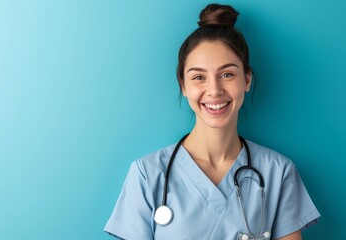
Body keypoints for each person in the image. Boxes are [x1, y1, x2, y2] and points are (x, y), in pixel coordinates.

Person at [104, 3, 320, 240]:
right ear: (183, 85)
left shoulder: (278, 173)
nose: (214, 90)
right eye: (199, 77)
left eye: (227, 74)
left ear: (246, 80)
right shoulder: (147, 175)